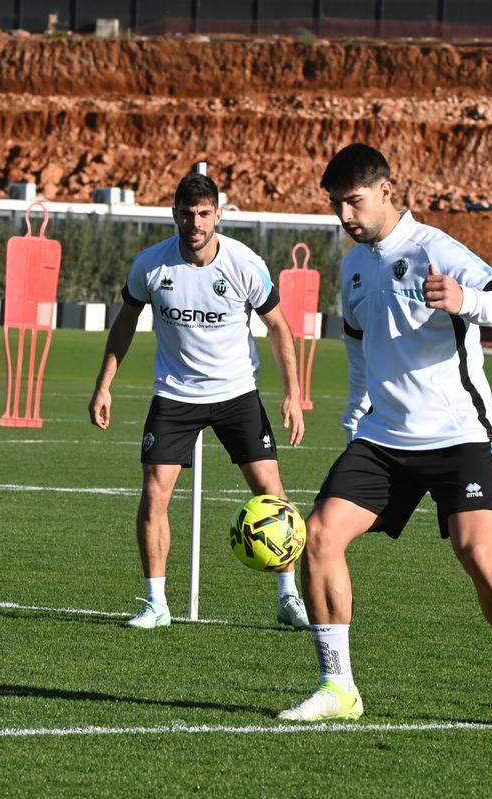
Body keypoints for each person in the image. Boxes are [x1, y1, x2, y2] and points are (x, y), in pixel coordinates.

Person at [278, 143, 492, 731]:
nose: (345, 217)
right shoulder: (355, 263)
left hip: (458, 435)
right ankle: (338, 686)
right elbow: (359, 344)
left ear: (388, 190)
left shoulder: (437, 250)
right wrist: (357, 407)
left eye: (354, 202)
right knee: (318, 536)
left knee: (479, 556)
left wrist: (469, 301)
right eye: (337, 205)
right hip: (384, 437)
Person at [89, 172, 309, 630]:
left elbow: (278, 327)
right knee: (154, 495)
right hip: (174, 395)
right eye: (187, 214)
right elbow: (125, 323)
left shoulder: (244, 263)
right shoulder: (151, 265)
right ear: (174, 215)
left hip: (236, 393)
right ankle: (155, 603)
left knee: (273, 495)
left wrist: (293, 392)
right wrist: (104, 383)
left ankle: (288, 597)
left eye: (205, 214)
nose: (196, 223)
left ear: (218, 216)